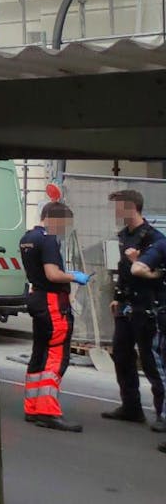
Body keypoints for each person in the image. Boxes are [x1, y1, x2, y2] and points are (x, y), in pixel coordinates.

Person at [20, 200, 89, 432]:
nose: (63, 228)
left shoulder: (27, 238)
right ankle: (48, 410)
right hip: (52, 302)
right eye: (63, 223)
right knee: (57, 356)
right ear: (53, 218)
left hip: (37, 297)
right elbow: (52, 274)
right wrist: (74, 277)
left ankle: (32, 406)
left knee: (39, 352)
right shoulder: (49, 239)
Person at [101, 190, 165, 428]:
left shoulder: (154, 239)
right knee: (121, 354)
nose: (115, 212)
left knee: (152, 361)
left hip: (148, 307)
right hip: (127, 306)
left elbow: (155, 275)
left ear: (131, 207)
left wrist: (136, 262)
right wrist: (118, 296)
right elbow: (123, 271)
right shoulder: (124, 237)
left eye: (118, 207)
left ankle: (162, 413)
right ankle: (131, 407)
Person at [124, 223, 166, 452]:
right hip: (150, 307)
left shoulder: (159, 244)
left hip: (155, 310)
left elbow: (137, 269)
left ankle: (162, 414)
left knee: (157, 366)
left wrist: (152, 272)